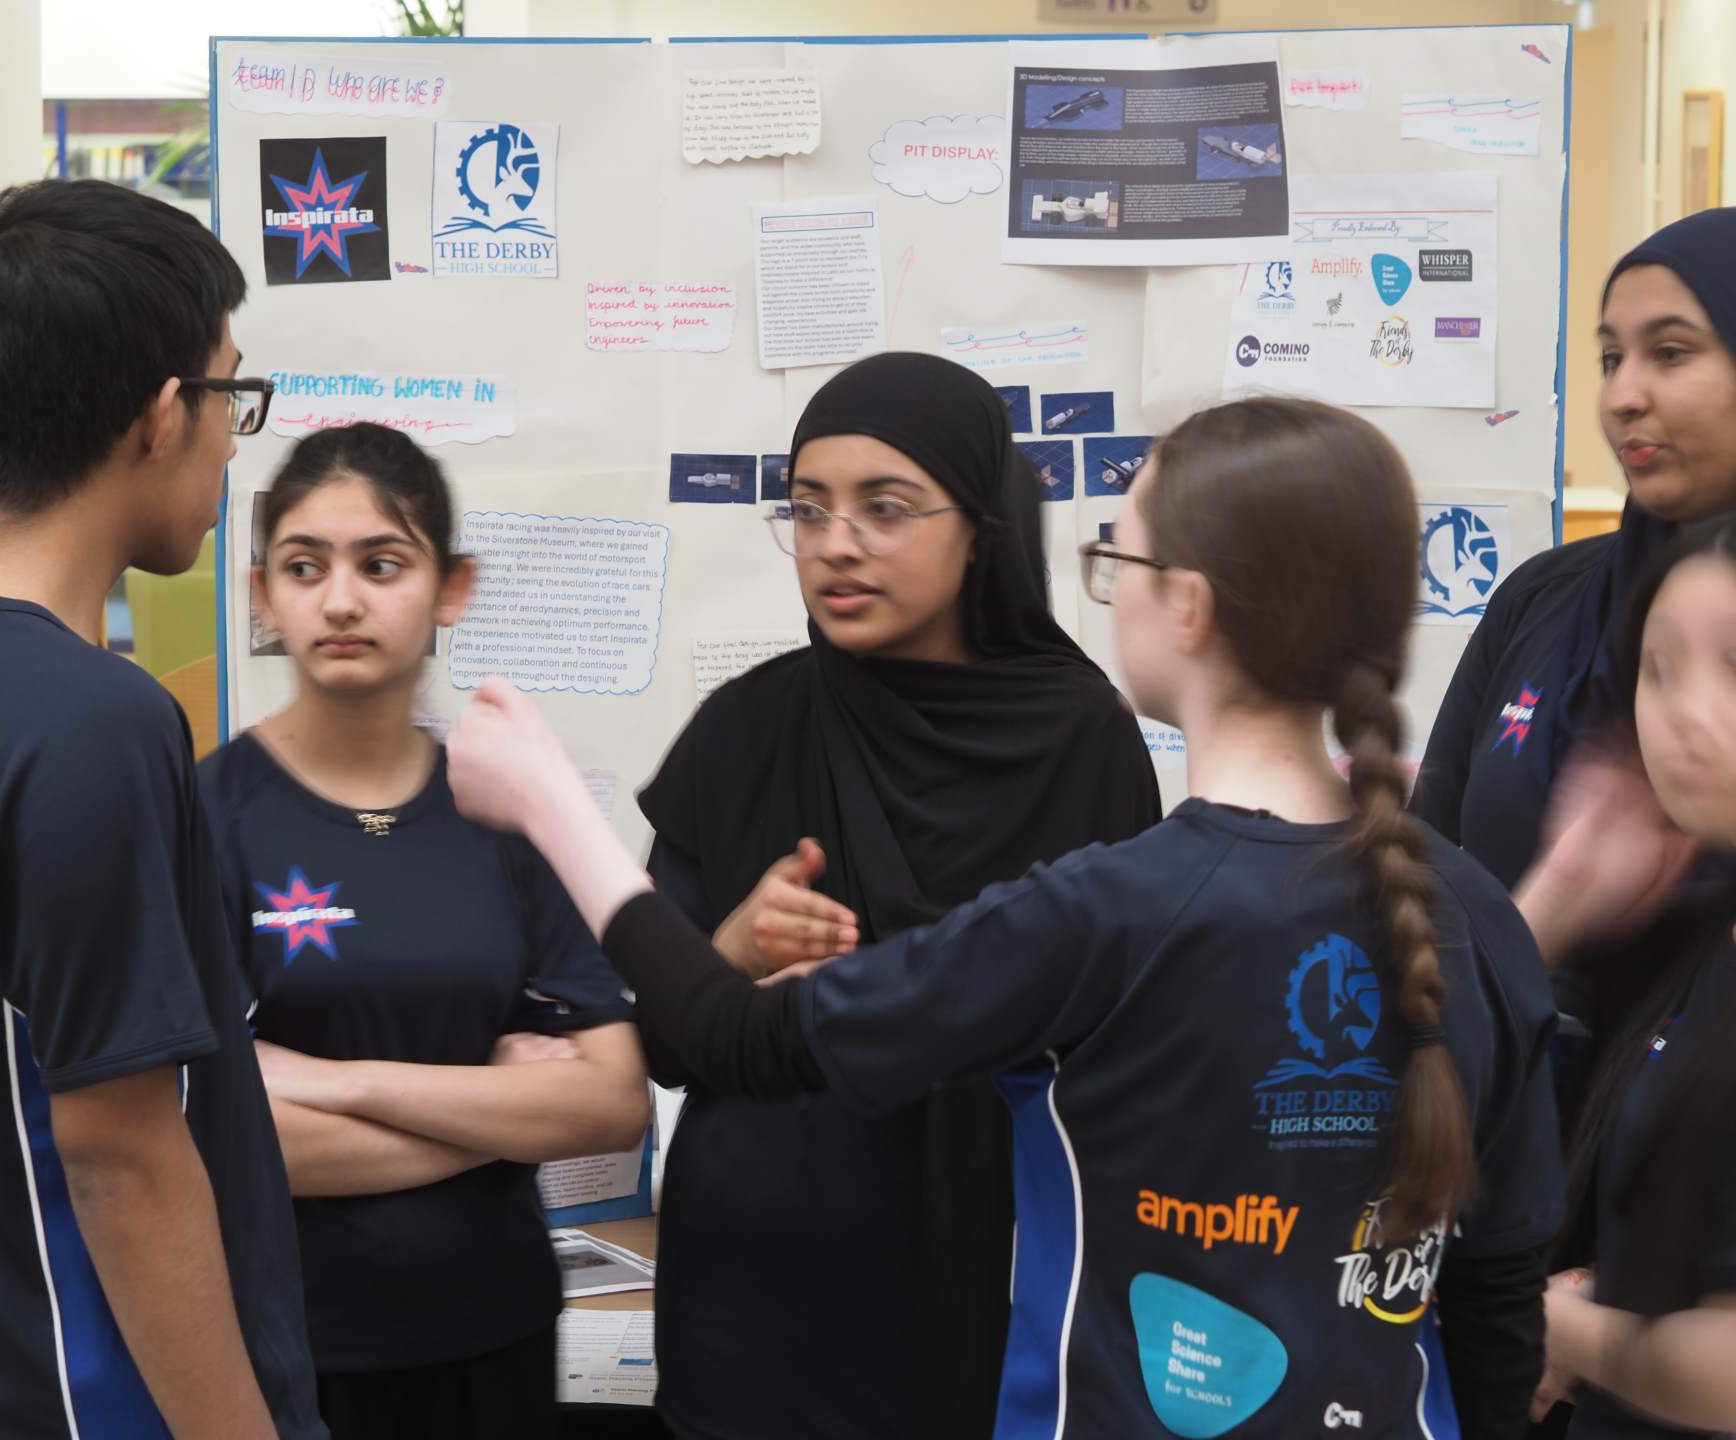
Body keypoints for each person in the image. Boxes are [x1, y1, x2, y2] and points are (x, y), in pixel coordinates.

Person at [447, 397, 1566, 1437]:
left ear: (1187, 603)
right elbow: (1499, 1298)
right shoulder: (1475, 913)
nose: (838, 543)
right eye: (809, 508)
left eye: (1117, 557)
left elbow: (744, 1037)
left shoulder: (1114, 912)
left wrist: (552, 805)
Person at [0, 181, 321, 1436]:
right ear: (164, 415)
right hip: (107, 1406)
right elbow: (123, 1153)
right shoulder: (90, 720)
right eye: (231, 396)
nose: (235, 441)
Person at [632, 352, 1160, 1438]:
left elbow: (1130, 1049)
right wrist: (728, 953)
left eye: (884, 507)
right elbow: (651, 1041)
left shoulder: (1081, 739)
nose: (835, 544)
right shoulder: (745, 728)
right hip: (757, 1319)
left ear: (980, 527)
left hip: (1000, 1288)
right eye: (807, 509)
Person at [200, 423, 650, 1439]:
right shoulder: (206, 817)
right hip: (298, 1349)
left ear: (452, 588)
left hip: (498, 1339)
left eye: (382, 564)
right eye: (304, 567)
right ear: (263, 594)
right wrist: (500, 1114)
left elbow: (612, 1102)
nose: (341, 601)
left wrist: (335, 1081)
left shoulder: (505, 814)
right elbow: (219, 1137)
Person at [1414, 207, 1736, 891]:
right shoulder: (1543, 596)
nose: (1622, 397)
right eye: (1611, 359)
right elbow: (1422, 861)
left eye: (1670, 353)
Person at [1514, 516, 1736, 1437]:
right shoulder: (1687, 930)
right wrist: (1556, 901)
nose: (1685, 711)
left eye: (1734, 665)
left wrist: (1572, 1333)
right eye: (1658, 669)